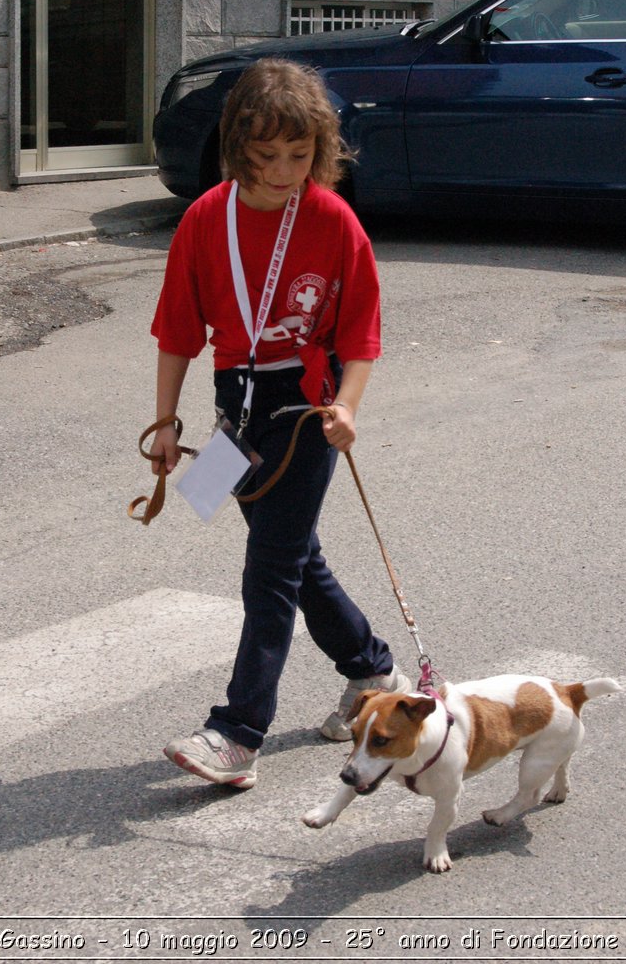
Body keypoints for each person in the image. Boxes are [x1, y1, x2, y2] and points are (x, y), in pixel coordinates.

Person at [149, 58, 409, 790]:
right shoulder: (207, 219)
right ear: (237, 147)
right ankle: (370, 669)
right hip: (236, 411)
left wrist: (348, 406)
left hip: (304, 412)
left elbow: (361, 334)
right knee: (296, 557)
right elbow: (177, 331)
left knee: (268, 570)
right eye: (267, 158)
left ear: (320, 149)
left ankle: (238, 732)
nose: (284, 172)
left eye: (300, 157)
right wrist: (165, 422)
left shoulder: (332, 219)